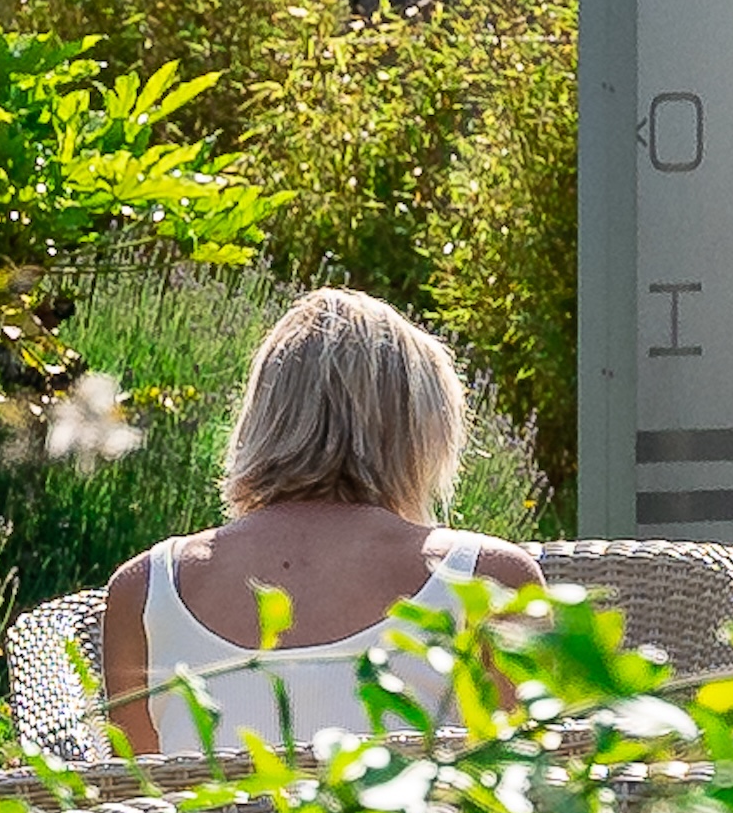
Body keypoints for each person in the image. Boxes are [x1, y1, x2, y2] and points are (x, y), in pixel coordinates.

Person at [102, 288, 543, 756]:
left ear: (262, 419)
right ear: (421, 433)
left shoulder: (146, 590)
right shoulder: (489, 582)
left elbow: (142, 811)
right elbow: (530, 790)